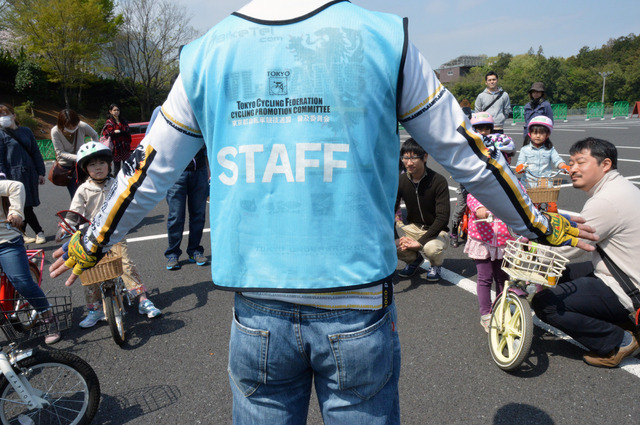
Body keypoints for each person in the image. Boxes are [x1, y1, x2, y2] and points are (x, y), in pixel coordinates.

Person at [50, 1, 597, 423]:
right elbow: (468, 154)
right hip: (355, 304)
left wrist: (91, 241)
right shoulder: (384, 36)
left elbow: (147, 173)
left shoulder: (205, 53)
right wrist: (538, 222)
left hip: (257, 306)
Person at [532, 137, 640, 368]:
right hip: (626, 271)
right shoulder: (620, 188)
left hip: (628, 286)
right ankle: (623, 323)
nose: (573, 169)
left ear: (606, 164)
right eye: (571, 163)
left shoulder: (607, 200)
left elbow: (570, 246)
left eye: (581, 162)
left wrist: (532, 255)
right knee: (562, 274)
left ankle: (619, 341)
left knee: (545, 303)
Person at [67, 142, 161, 327]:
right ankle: (94, 309)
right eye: (92, 165)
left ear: (109, 164)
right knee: (88, 271)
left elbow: (130, 200)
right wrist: (65, 228)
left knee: (125, 263)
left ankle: (142, 299)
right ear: (86, 169)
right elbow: (73, 213)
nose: (98, 167)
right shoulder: (83, 189)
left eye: (101, 163)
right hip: (91, 237)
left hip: (115, 233)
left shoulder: (117, 183)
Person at [464, 134, 517, 332]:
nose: (502, 161)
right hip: (483, 239)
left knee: (503, 278)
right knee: (485, 278)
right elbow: (474, 203)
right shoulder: (477, 184)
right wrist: (484, 210)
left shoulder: (513, 183)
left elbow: (523, 202)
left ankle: (501, 308)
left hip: (505, 240)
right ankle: (485, 314)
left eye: (506, 156)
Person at [146, 106, 209, 270]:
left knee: (199, 215)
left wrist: (211, 171)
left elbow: (210, 139)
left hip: (200, 170)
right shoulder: (162, 111)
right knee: (176, 216)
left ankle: (195, 250)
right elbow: (149, 138)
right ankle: (173, 253)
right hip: (176, 173)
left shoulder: (201, 108)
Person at [0, 175, 60, 344]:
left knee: (22, 282)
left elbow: (16, 186)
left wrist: (16, 212)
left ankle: (49, 318)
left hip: (6, 242)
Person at [396, 138, 450, 281]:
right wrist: (395, 237)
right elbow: (392, 209)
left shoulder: (438, 181)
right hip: (413, 227)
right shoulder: (402, 181)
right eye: (405, 158)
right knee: (390, 244)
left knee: (431, 249)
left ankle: (435, 264)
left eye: (413, 157)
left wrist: (420, 242)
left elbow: (442, 218)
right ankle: (414, 260)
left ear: (425, 157)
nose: (408, 162)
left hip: (437, 230)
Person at [0, 103, 47, 244]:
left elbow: (35, 152)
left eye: (5, 114)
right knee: (24, 204)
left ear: (13, 115)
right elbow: (0, 158)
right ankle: (39, 231)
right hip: (12, 175)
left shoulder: (26, 131)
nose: (2, 118)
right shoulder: (1, 134)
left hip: (29, 173)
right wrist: (3, 177)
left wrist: (41, 172)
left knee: (27, 204)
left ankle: (21, 232)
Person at [450, 112, 495, 248]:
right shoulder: (466, 143)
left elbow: (496, 156)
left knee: (491, 205)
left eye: (486, 128)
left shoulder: (491, 143)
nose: (483, 132)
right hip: (467, 182)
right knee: (461, 207)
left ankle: (491, 232)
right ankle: (453, 232)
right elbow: (457, 160)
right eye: (479, 129)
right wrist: (456, 171)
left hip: (484, 181)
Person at [515, 116, 570, 212]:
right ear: (530, 134)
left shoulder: (550, 149)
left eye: (541, 133)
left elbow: (557, 160)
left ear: (547, 135)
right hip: (529, 183)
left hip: (545, 182)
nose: (537, 136)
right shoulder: (525, 149)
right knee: (528, 209)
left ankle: (552, 224)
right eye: (535, 133)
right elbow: (520, 163)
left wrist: (564, 166)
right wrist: (520, 168)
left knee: (552, 208)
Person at [51, 109, 100, 199]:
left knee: (91, 189)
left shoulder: (82, 125)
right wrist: (78, 157)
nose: (73, 128)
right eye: (69, 126)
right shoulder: (55, 131)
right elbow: (60, 152)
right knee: (76, 194)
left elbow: (94, 135)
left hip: (82, 164)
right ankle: (78, 211)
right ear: (62, 124)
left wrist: (93, 149)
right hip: (67, 167)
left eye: (75, 125)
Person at [102, 104, 131, 175]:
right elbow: (109, 133)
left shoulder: (123, 121)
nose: (116, 111)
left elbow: (127, 131)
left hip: (125, 147)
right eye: (114, 110)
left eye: (118, 110)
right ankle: (116, 183)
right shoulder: (109, 122)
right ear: (110, 111)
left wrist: (118, 131)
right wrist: (121, 132)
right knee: (116, 168)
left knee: (127, 167)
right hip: (116, 148)